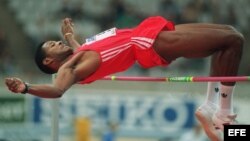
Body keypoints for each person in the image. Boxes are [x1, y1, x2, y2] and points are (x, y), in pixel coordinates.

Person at [5, 16, 244, 141]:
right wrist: (26, 87)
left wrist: (69, 36)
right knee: (233, 41)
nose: (56, 42)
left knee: (229, 37)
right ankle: (222, 113)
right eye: (52, 45)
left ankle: (212, 106)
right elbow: (57, 90)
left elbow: (86, 50)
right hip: (146, 43)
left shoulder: (78, 55)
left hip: (146, 33)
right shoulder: (70, 68)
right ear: (49, 62)